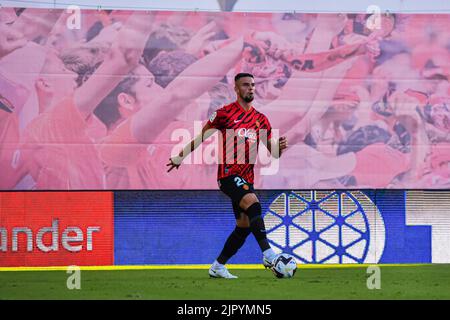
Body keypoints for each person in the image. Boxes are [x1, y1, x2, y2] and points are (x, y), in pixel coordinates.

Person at [167, 73, 288, 278]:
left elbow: (272, 152)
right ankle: (268, 254)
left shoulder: (261, 119)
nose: (250, 88)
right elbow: (200, 137)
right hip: (228, 175)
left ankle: (218, 266)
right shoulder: (224, 114)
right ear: (236, 88)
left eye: (252, 85)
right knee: (254, 205)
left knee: (244, 226)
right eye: (245, 85)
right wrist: (180, 157)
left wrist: (279, 148)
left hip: (247, 178)